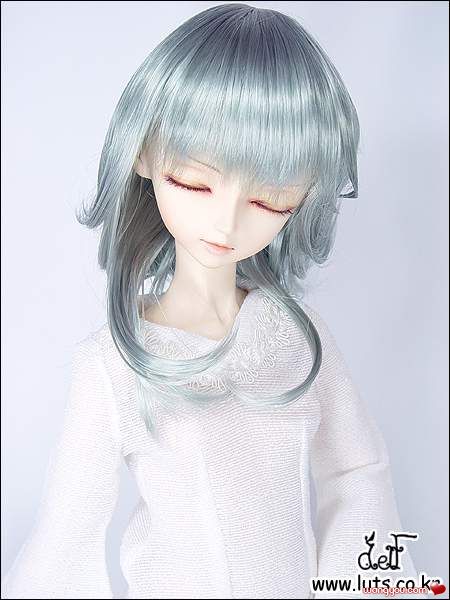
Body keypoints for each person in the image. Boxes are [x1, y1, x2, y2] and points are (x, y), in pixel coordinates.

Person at [2, 3, 421, 598]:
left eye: (269, 199)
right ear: (144, 154)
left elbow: (359, 473)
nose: (225, 222)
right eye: (194, 183)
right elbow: (66, 539)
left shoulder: (299, 344)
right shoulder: (115, 366)